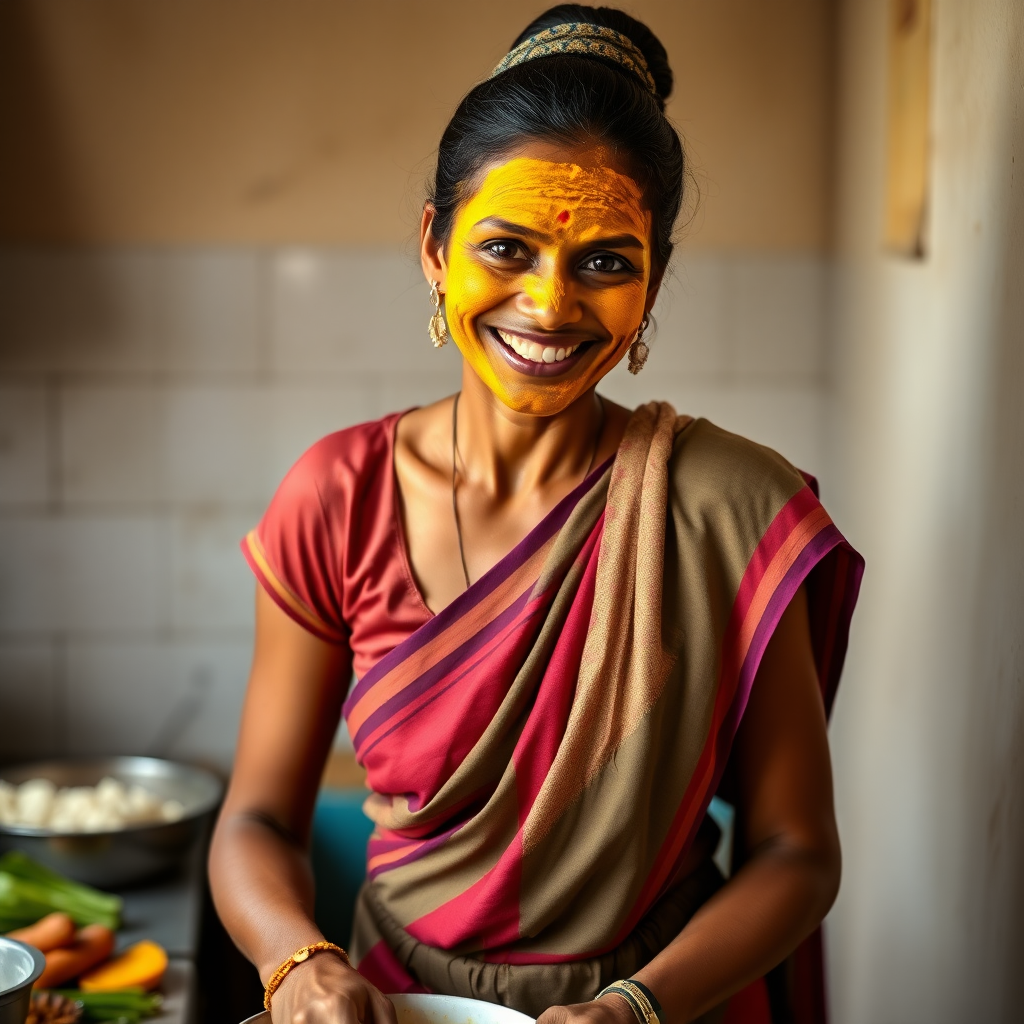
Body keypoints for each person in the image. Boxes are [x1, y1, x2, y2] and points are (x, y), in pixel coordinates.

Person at [208, 6, 864, 1024]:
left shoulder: (733, 508)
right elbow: (253, 817)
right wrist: (298, 964)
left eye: (605, 259)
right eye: (506, 247)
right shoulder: (338, 497)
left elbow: (796, 852)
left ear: (652, 281)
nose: (550, 305)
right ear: (434, 245)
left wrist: (631, 1009)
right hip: (394, 1005)